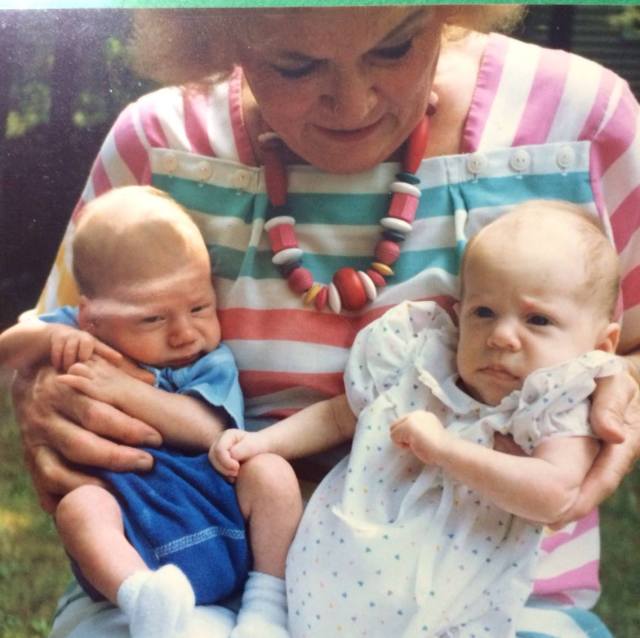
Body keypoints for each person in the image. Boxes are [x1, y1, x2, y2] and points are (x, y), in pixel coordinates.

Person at [10, 5, 640, 638]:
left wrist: (625, 391)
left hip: (489, 605)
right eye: (294, 64)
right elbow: (56, 343)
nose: (353, 101)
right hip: (196, 586)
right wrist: (47, 400)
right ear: (219, 34)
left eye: (395, 48)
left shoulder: (582, 119)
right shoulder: (160, 139)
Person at [213, 200, 622, 637]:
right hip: (333, 584)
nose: (501, 337)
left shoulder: (556, 404)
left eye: (538, 319)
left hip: (450, 611)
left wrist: (447, 451)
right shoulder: (419, 360)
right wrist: (263, 443)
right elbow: (337, 418)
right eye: (483, 312)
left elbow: (554, 494)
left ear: (602, 344)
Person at [0, 186, 301, 638]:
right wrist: (45, 340)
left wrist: (123, 389)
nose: (184, 333)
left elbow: (209, 428)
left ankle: (267, 609)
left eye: (199, 307)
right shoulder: (76, 335)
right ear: (90, 319)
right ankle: (142, 600)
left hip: (218, 521)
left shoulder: (207, 361)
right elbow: (6, 353)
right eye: (152, 319)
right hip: (131, 537)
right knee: (80, 506)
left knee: (272, 474)